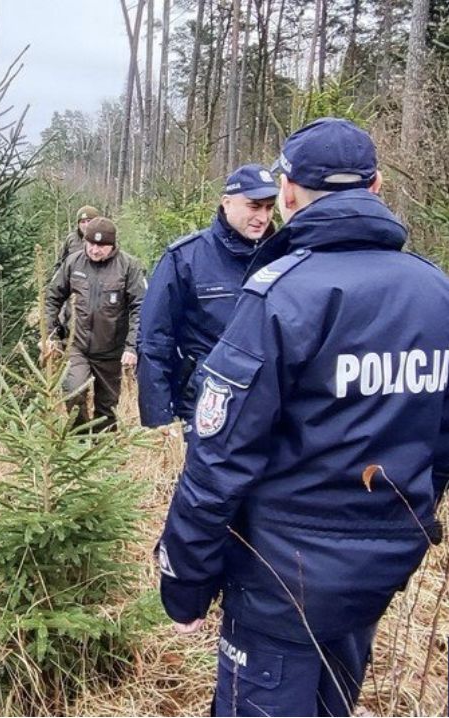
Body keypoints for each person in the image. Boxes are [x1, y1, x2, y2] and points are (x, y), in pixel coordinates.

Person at [156, 117, 449, 716]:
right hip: (377, 572)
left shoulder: (282, 295)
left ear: (287, 193)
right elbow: (439, 446)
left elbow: (220, 457)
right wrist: (401, 527)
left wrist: (184, 582)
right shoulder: (436, 292)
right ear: (376, 186)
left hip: (280, 581)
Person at [137, 164, 285, 441]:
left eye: (268, 207)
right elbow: (154, 341)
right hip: (205, 407)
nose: (263, 217)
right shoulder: (185, 258)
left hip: (271, 408)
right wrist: (159, 420)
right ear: (226, 203)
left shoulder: (284, 259)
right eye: (254, 206)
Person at [43, 217, 146, 430]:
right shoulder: (73, 262)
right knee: (73, 391)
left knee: (107, 408)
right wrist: (50, 336)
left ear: (113, 245)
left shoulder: (129, 267)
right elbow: (52, 297)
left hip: (111, 350)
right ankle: (79, 443)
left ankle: (102, 452)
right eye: (91, 244)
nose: (95, 250)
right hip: (76, 346)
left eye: (101, 246)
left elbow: (141, 308)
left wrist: (132, 346)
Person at [55, 204, 102, 270]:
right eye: (83, 222)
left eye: (89, 221)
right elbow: (60, 263)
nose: (86, 225)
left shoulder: (106, 239)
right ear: (78, 224)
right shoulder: (71, 239)